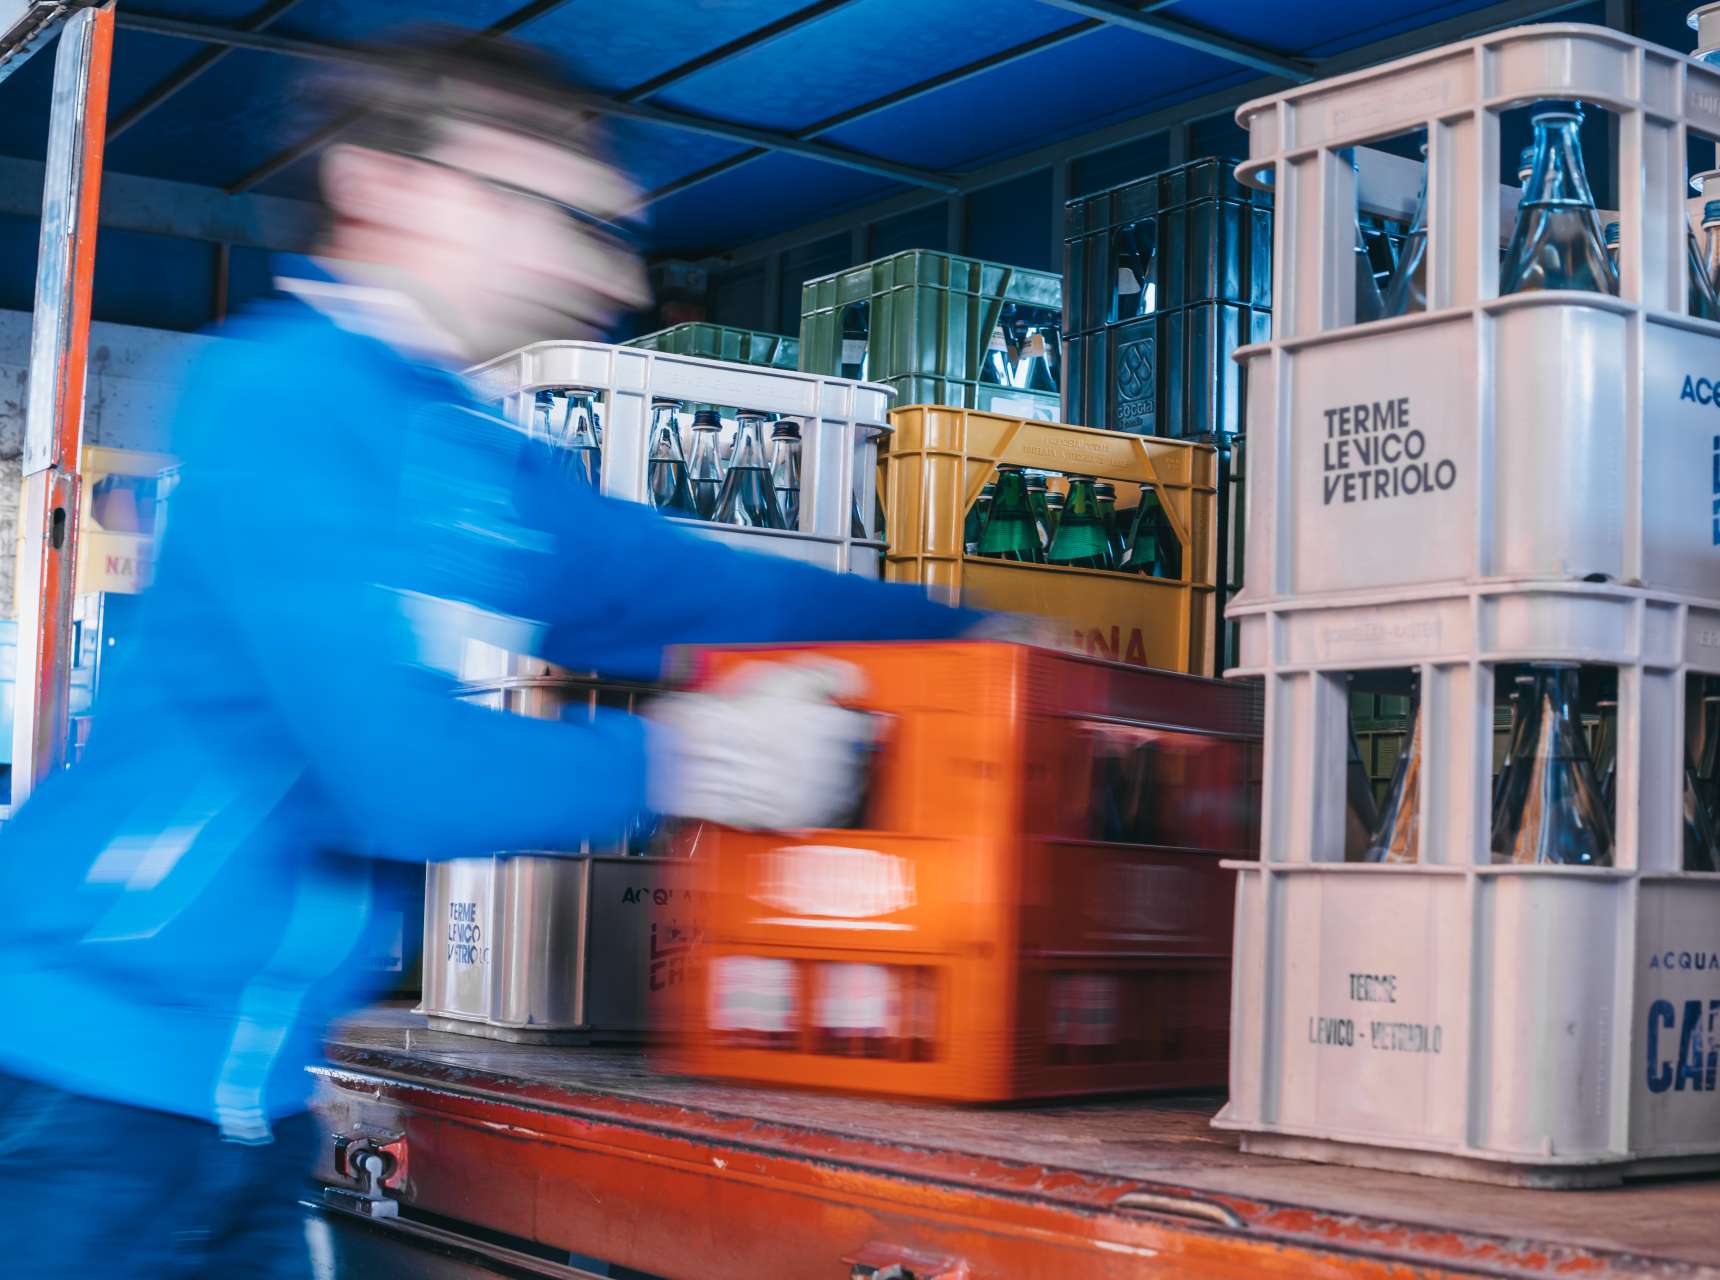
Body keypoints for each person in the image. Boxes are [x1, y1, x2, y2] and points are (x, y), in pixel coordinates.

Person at [0, 32, 983, 1279]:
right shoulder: (283, 395)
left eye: (591, 223)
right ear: (380, 185)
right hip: (76, 1088)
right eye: (531, 205)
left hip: (239, 1105)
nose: (584, 259)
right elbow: (398, 774)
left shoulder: (469, 452)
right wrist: (702, 753)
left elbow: (689, 587)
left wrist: (977, 630)